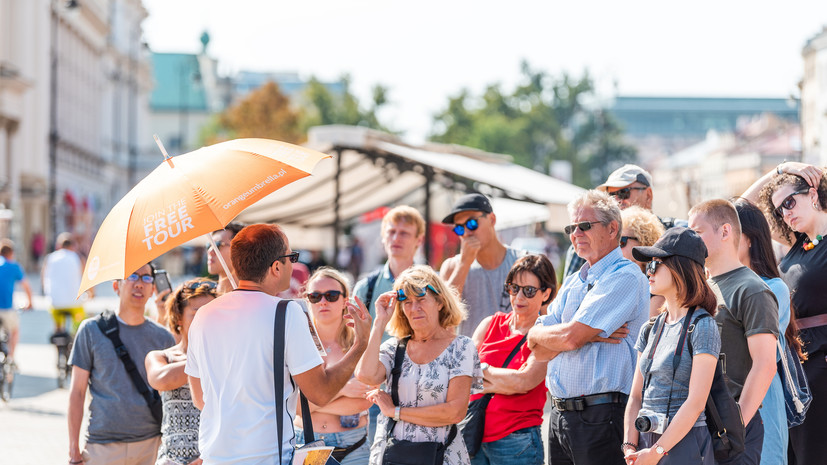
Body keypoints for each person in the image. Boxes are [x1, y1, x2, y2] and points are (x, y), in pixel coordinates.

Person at [185, 223, 371, 465]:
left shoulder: (203, 315)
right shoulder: (286, 313)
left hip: (216, 458)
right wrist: (360, 344)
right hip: (268, 458)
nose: (294, 264)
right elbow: (321, 392)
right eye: (292, 257)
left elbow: (200, 399)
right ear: (276, 267)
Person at [527, 190, 649, 465]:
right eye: (572, 227)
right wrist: (585, 336)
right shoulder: (573, 281)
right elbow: (537, 348)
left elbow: (570, 338)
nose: (575, 234)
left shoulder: (625, 275)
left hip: (601, 416)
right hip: (561, 417)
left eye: (584, 226)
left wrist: (575, 335)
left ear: (612, 228)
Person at [743, 161, 826, 465]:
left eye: (790, 201)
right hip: (794, 365)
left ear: (813, 193)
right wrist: (780, 170)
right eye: (779, 210)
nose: (785, 213)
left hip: (821, 364)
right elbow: (741, 209)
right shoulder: (798, 243)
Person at [356, 265, 482, 465]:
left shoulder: (461, 347)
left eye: (421, 300)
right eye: (407, 302)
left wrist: (395, 412)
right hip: (391, 455)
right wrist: (379, 322)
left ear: (440, 302)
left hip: (442, 456)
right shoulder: (394, 348)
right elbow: (366, 375)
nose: (414, 308)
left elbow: (455, 412)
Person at [687, 199, 779, 465]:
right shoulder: (702, 286)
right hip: (698, 424)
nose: (690, 240)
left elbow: (765, 364)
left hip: (732, 431)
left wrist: (735, 427)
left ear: (725, 232)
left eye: (697, 232)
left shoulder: (752, 289)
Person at [622, 227, 720, 464]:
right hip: (646, 444)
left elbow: (696, 403)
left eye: (655, 264)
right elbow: (635, 396)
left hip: (683, 443)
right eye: (648, 265)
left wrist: (656, 452)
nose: (648, 271)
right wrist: (629, 447)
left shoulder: (703, 325)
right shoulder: (651, 328)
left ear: (680, 268)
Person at [67, 264, 175, 465]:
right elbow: (77, 392)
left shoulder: (164, 338)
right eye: (132, 276)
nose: (140, 284)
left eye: (146, 278)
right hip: (102, 447)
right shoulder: (91, 330)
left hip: (151, 445)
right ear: (116, 286)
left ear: (153, 289)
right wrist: (73, 447)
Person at [469, 255, 558, 465]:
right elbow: (462, 374)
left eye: (528, 291)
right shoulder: (490, 323)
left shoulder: (546, 333)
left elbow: (524, 382)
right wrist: (503, 382)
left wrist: (481, 372)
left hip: (518, 441)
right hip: (474, 435)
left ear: (546, 293)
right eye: (513, 288)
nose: (518, 297)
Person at [353, 205, 425, 445]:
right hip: (377, 395)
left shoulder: (431, 285)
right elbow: (355, 343)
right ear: (383, 238)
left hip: (423, 394)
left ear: (418, 240)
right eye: (391, 232)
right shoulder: (367, 288)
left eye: (404, 233)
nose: (396, 238)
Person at [733, 198, 798, 465]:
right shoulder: (713, 287)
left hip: (761, 402)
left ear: (749, 239)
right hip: (724, 401)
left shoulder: (773, 289)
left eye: (729, 232)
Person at [294, 268, 373, 465]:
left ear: (345, 300)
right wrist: (343, 390)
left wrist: (312, 403)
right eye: (315, 296)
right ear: (307, 300)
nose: (323, 302)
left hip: (354, 445)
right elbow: (295, 407)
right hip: (306, 443)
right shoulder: (297, 343)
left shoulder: (359, 343)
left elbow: (365, 401)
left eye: (331, 295)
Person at [564, 164, 685, 279]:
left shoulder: (678, 233)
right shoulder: (586, 242)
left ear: (648, 195)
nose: (616, 201)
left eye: (623, 193)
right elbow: (570, 296)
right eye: (611, 195)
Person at [146, 278, 218, 465]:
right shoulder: (161, 357)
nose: (207, 321)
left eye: (212, 313)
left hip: (214, 457)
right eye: (197, 314)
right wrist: (205, 357)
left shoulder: (226, 357)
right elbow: (160, 380)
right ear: (179, 318)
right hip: (172, 460)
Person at [440, 193, 523, 336]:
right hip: (471, 356)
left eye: (472, 224)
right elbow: (442, 316)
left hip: (515, 355)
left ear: (492, 219)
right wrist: (464, 263)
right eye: (459, 228)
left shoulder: (522, 261)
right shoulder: (451, 267)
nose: (466, 233)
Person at [621, 207, 667, 318]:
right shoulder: (619, 278)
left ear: (643, 240)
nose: (616, 249)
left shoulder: (657, 285)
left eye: (621, 242)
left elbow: (647, 332)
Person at [43, 232, 86, 334]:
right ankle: (76, 337)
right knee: (79, 323)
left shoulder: (50, 258)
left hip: (55, 302)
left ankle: (58, 335)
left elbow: (44, 277)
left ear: (58, 246)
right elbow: (86, 277)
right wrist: (91, 293)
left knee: (57, 322)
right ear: (72, 246)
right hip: (75, 303)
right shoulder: (78, 258)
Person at [0, 239, 32, 361]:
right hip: (7, 309)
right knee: (14, 331)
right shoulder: (14, 266)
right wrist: (29, 303)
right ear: (11, 253)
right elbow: (26, 287)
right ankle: (11, 358)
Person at [207, 222, 245, 295]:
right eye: (209, 245)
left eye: (217, 245)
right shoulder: (204, 300)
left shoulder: (257, 299)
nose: (210, 251)